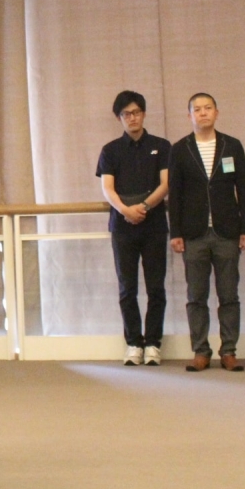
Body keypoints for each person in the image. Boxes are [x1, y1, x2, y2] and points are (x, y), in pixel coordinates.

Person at [167, 93, 245, 372]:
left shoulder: (232, 145)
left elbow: (244, 189)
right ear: (189, 115)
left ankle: (229, 351)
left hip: (227, 231)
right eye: (197, 109)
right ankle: (200, 351)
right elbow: (174, 194)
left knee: (229, 295)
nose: (203, 113)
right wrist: (175, 232)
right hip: (193, 234)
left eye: (208, 108)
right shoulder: (180, 149)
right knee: (196, 296)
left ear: (217, 112)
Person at [96, 90, 170, 367]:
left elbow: (166, 184)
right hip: (122, 226)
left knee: (156, 287)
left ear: (144, 114)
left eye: (137, 112)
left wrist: (144, 207)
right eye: (126, 114)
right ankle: (133, 343)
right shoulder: (110, 150)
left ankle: (153, 343)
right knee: (127, 287)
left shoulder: (161, 146)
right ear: (119, 118)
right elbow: (108, 188)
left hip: (154, 225)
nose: (132, 117)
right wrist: (126, 210)